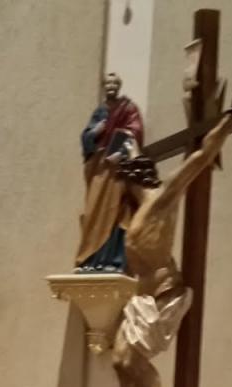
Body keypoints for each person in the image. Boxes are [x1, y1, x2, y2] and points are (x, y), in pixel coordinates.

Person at [75, 73, 144, 273]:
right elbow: (86, 138)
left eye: (114, 83)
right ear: (104, 86)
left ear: (118, 86)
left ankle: (112, 260)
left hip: (117, 168)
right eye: (108, 83)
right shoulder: (100, 112)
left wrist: (121, 148)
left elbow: (136, 131)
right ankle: (90, 259)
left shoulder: (128, 108)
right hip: (99, 167)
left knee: (116, 211)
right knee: (94, 211)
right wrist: (96, 131)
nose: (111, 86)